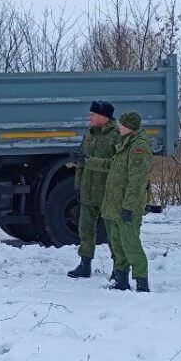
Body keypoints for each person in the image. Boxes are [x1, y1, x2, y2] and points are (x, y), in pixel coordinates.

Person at [101, 111, 153, 291]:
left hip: (127, 207)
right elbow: (111, 166)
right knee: (118, 244)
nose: (117, 126)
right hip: (116, 205)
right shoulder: (124, 144)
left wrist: (129, 207)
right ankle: (121, 281)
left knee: (131, 244)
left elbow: (137, 181)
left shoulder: (138, 148)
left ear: (129, 127)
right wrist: (87, 162)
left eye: (121, 124)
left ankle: (141, 282)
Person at [68, 100, 120, 278]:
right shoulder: (89, 134)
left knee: (113, 233)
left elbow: (117, 165)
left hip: (108, 192)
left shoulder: (117, 135)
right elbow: (83, 162)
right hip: (88, 191)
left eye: (93, 114)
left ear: (103, 117)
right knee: (85, 229)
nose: (89, 117)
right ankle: (84, 264)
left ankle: (118, 269)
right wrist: (78, 180)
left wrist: (88, 161)